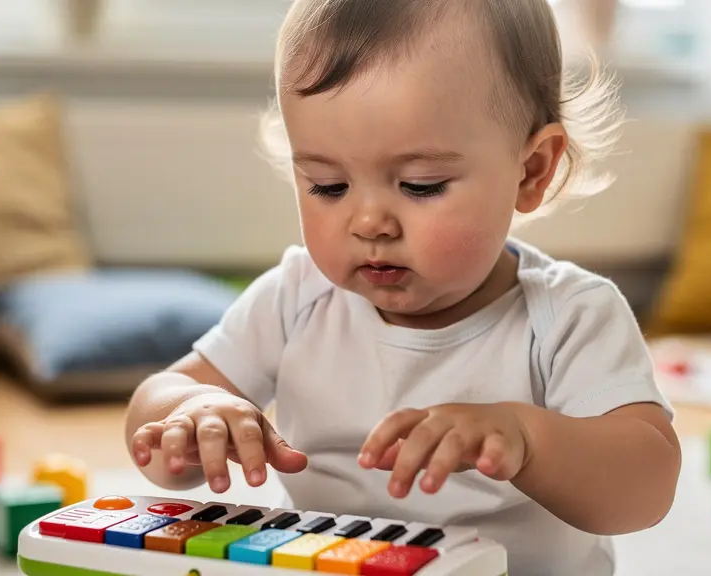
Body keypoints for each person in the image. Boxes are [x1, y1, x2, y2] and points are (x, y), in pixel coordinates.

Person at [125, 1, 682, 574]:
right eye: (328, 186)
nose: (369, 223)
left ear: (532, 170)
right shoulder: (296, 298)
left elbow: (647, 484)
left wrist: (527, 439)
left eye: (421, 186)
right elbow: (158, 405)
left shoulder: (567, 316)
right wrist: (195, 413)